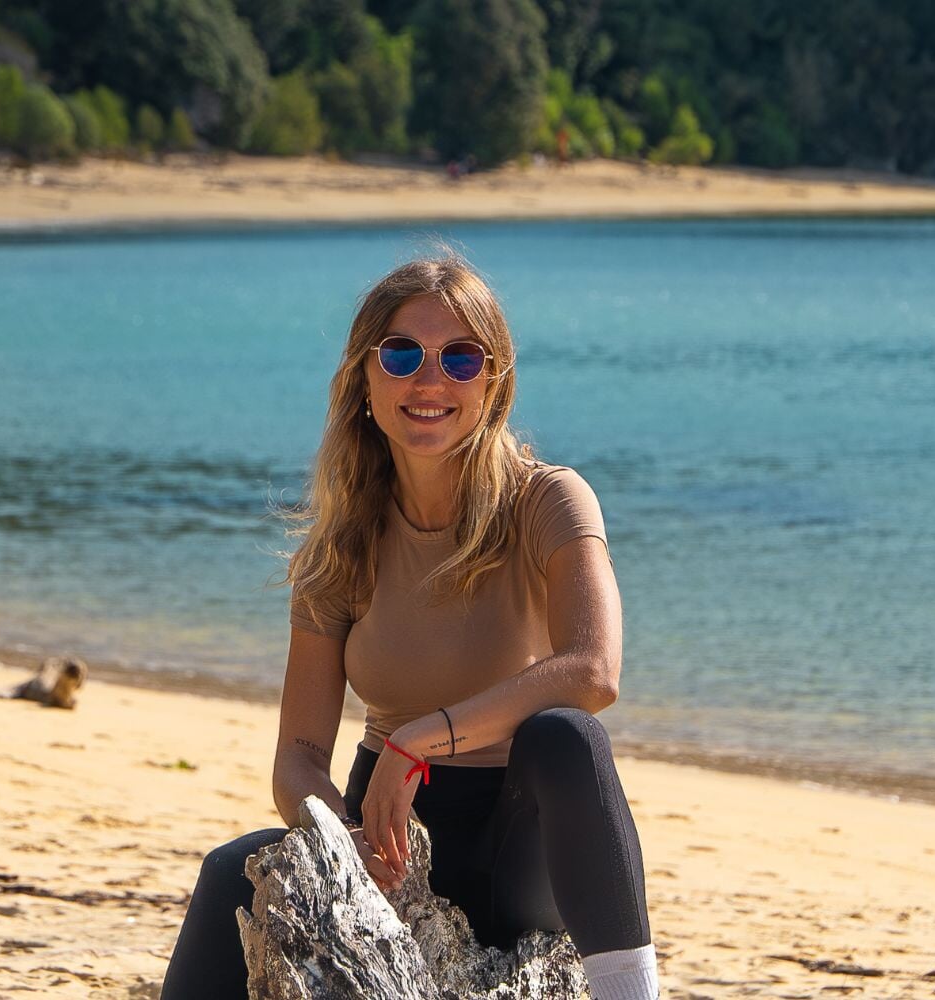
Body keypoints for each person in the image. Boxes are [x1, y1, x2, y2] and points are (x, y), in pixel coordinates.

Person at [160, 255, 659, 1000]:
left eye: (461, 358)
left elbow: (594, 670)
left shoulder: (549, 500)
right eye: (402, 355)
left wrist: (416, 739)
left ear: (494, 382)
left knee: (567, 736)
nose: (430, 381)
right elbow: (296, 758)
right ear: (365, 378)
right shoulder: (341, 544)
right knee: (230, 870)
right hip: (388, 834)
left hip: (521, 839)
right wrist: (341, 836)